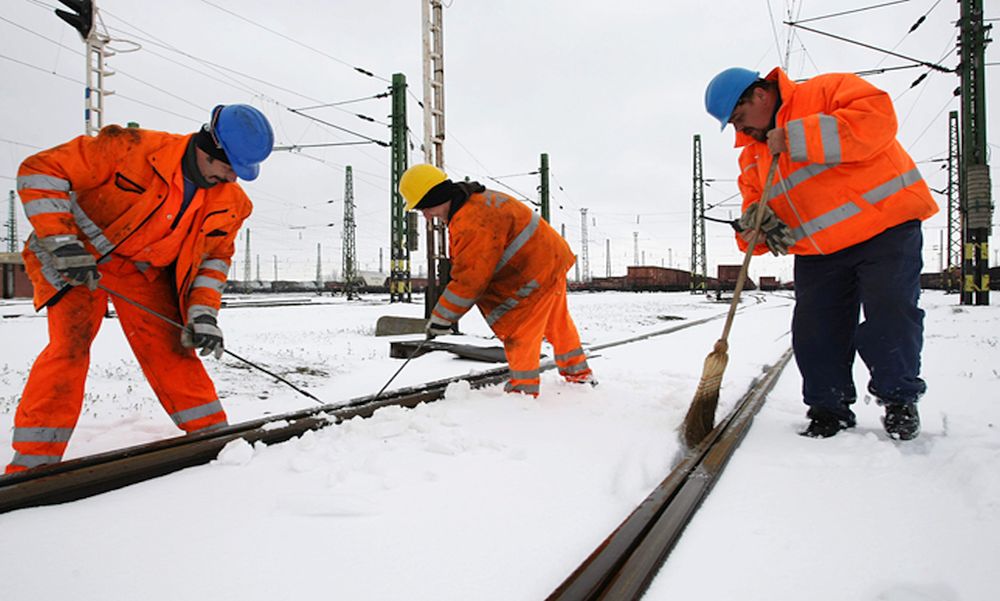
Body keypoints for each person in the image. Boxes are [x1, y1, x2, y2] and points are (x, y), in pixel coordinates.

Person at [5, 104, 274, 474]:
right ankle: (33, 466)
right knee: (68, 349)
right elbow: (40, 171)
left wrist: (203, 315)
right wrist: (63, 241)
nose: (233, 178)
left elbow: (213, 263)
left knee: (174, 350)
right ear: (209, 147)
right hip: (81, 260)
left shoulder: (232, 203)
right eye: (229, 167)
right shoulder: (131, 149)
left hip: (142, 272)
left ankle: (212, 438)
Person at [704, 67, 938, 440]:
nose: (740, 131)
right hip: (819, 251)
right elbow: (755, 207)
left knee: (890, 314)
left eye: (739, 119)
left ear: (761, 95)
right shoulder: (751, 156)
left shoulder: (828, 91)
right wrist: (753, 230)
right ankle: (829, 409)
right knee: (815, 332)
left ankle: (899, 400)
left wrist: (797, 137)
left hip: (885, 228)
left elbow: (876, 122)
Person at [398, 164, 594, 396]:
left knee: (519, 332)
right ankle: (579, 374)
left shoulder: (470, 221)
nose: (426, 216)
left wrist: (442, 317)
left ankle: (523, 393)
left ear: (436, 197)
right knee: (556, 322)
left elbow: (469, 280)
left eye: (425, 209)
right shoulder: (478, 200)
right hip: (550, 260)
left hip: (533, 272)